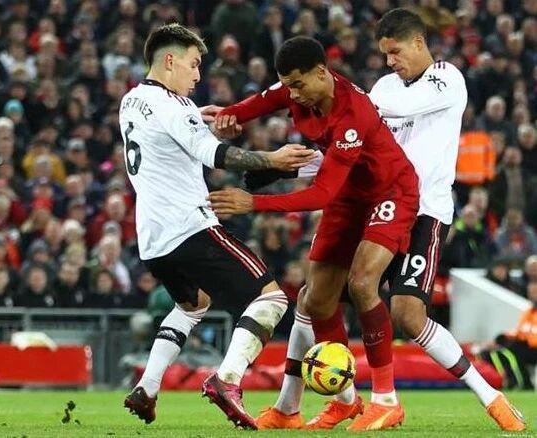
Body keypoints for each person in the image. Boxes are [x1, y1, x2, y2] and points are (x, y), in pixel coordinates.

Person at [217, 9, 526, 432]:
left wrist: (345, 96)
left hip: (424, 208)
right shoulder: (380, 87)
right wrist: (288, 163)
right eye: (384, 54)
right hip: (372, 199)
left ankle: (489, 397)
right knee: (312, 297)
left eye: (395, 52)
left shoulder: (446, 78)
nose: (389, 61)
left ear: (419, 43)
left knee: (408, 315)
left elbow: (370, 116)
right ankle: (300, 405)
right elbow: (357, 151)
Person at [209, 35, 420, 430]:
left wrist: (254, 203)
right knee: (317, 300)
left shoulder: (352, 114)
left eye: (298, 84)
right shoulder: (299, 88)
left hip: (389, 192)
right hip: (348, 196)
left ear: (322, 73)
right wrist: (229, 114)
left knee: (362, 284)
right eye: (287, 85)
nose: (293, 94)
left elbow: (321, 193)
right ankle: (343, 401)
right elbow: (263, 101)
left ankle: (386, 399)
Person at [120, 23, 316, 429]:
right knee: (272, 299)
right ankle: (227, 379)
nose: (198, 75)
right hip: (190, 227)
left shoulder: (132, 100)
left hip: (153, 240)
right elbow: (216, 155)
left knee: (192, 305)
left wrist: (195, 115)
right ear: (170, 60)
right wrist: (273, 160)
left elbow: (163, 126)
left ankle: (147, 387)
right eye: (193, 64)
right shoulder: (174, 108)